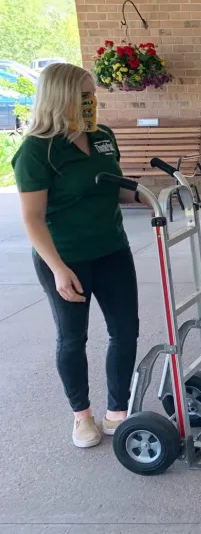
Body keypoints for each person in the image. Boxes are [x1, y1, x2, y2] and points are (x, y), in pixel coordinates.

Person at [12, 63, 141, 448]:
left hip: (112, 249)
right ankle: (82, 417)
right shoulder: (36, 152)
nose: (92, 102)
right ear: (61, 99)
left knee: (125, 330)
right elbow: (33, 219)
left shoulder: (102, 136)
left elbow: (114, 188)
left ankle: (118, 411)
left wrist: (153, 194)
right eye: (84, 96)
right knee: (72, 339)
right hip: (66, 258)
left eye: (93, 95)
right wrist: (58, 269)